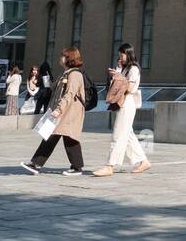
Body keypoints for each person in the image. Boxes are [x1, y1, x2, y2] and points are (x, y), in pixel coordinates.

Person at [21, 47, 88, 175]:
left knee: (67, 137)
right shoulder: (66, 73)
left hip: (69, 112)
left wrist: (59, 109)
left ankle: (75, 167)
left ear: (69, 58)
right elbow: (53, 89)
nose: (60, 58)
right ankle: (37, 164)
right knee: (56, 136)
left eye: (63, 56)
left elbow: (70, 94)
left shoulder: (75, 74)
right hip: (63, 112)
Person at [92, 43, 151, 176]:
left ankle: (110, 165)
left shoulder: (134, 69)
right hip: (122, 102)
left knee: (118, 134)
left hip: (128, 102)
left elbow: (129, 88)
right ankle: (143, 161)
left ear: (128, 54)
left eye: (122, 55)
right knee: (128, 134)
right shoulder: (125, 69)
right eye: (119, 55)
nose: (120, 58)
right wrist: (117, 74)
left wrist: (118, 76)